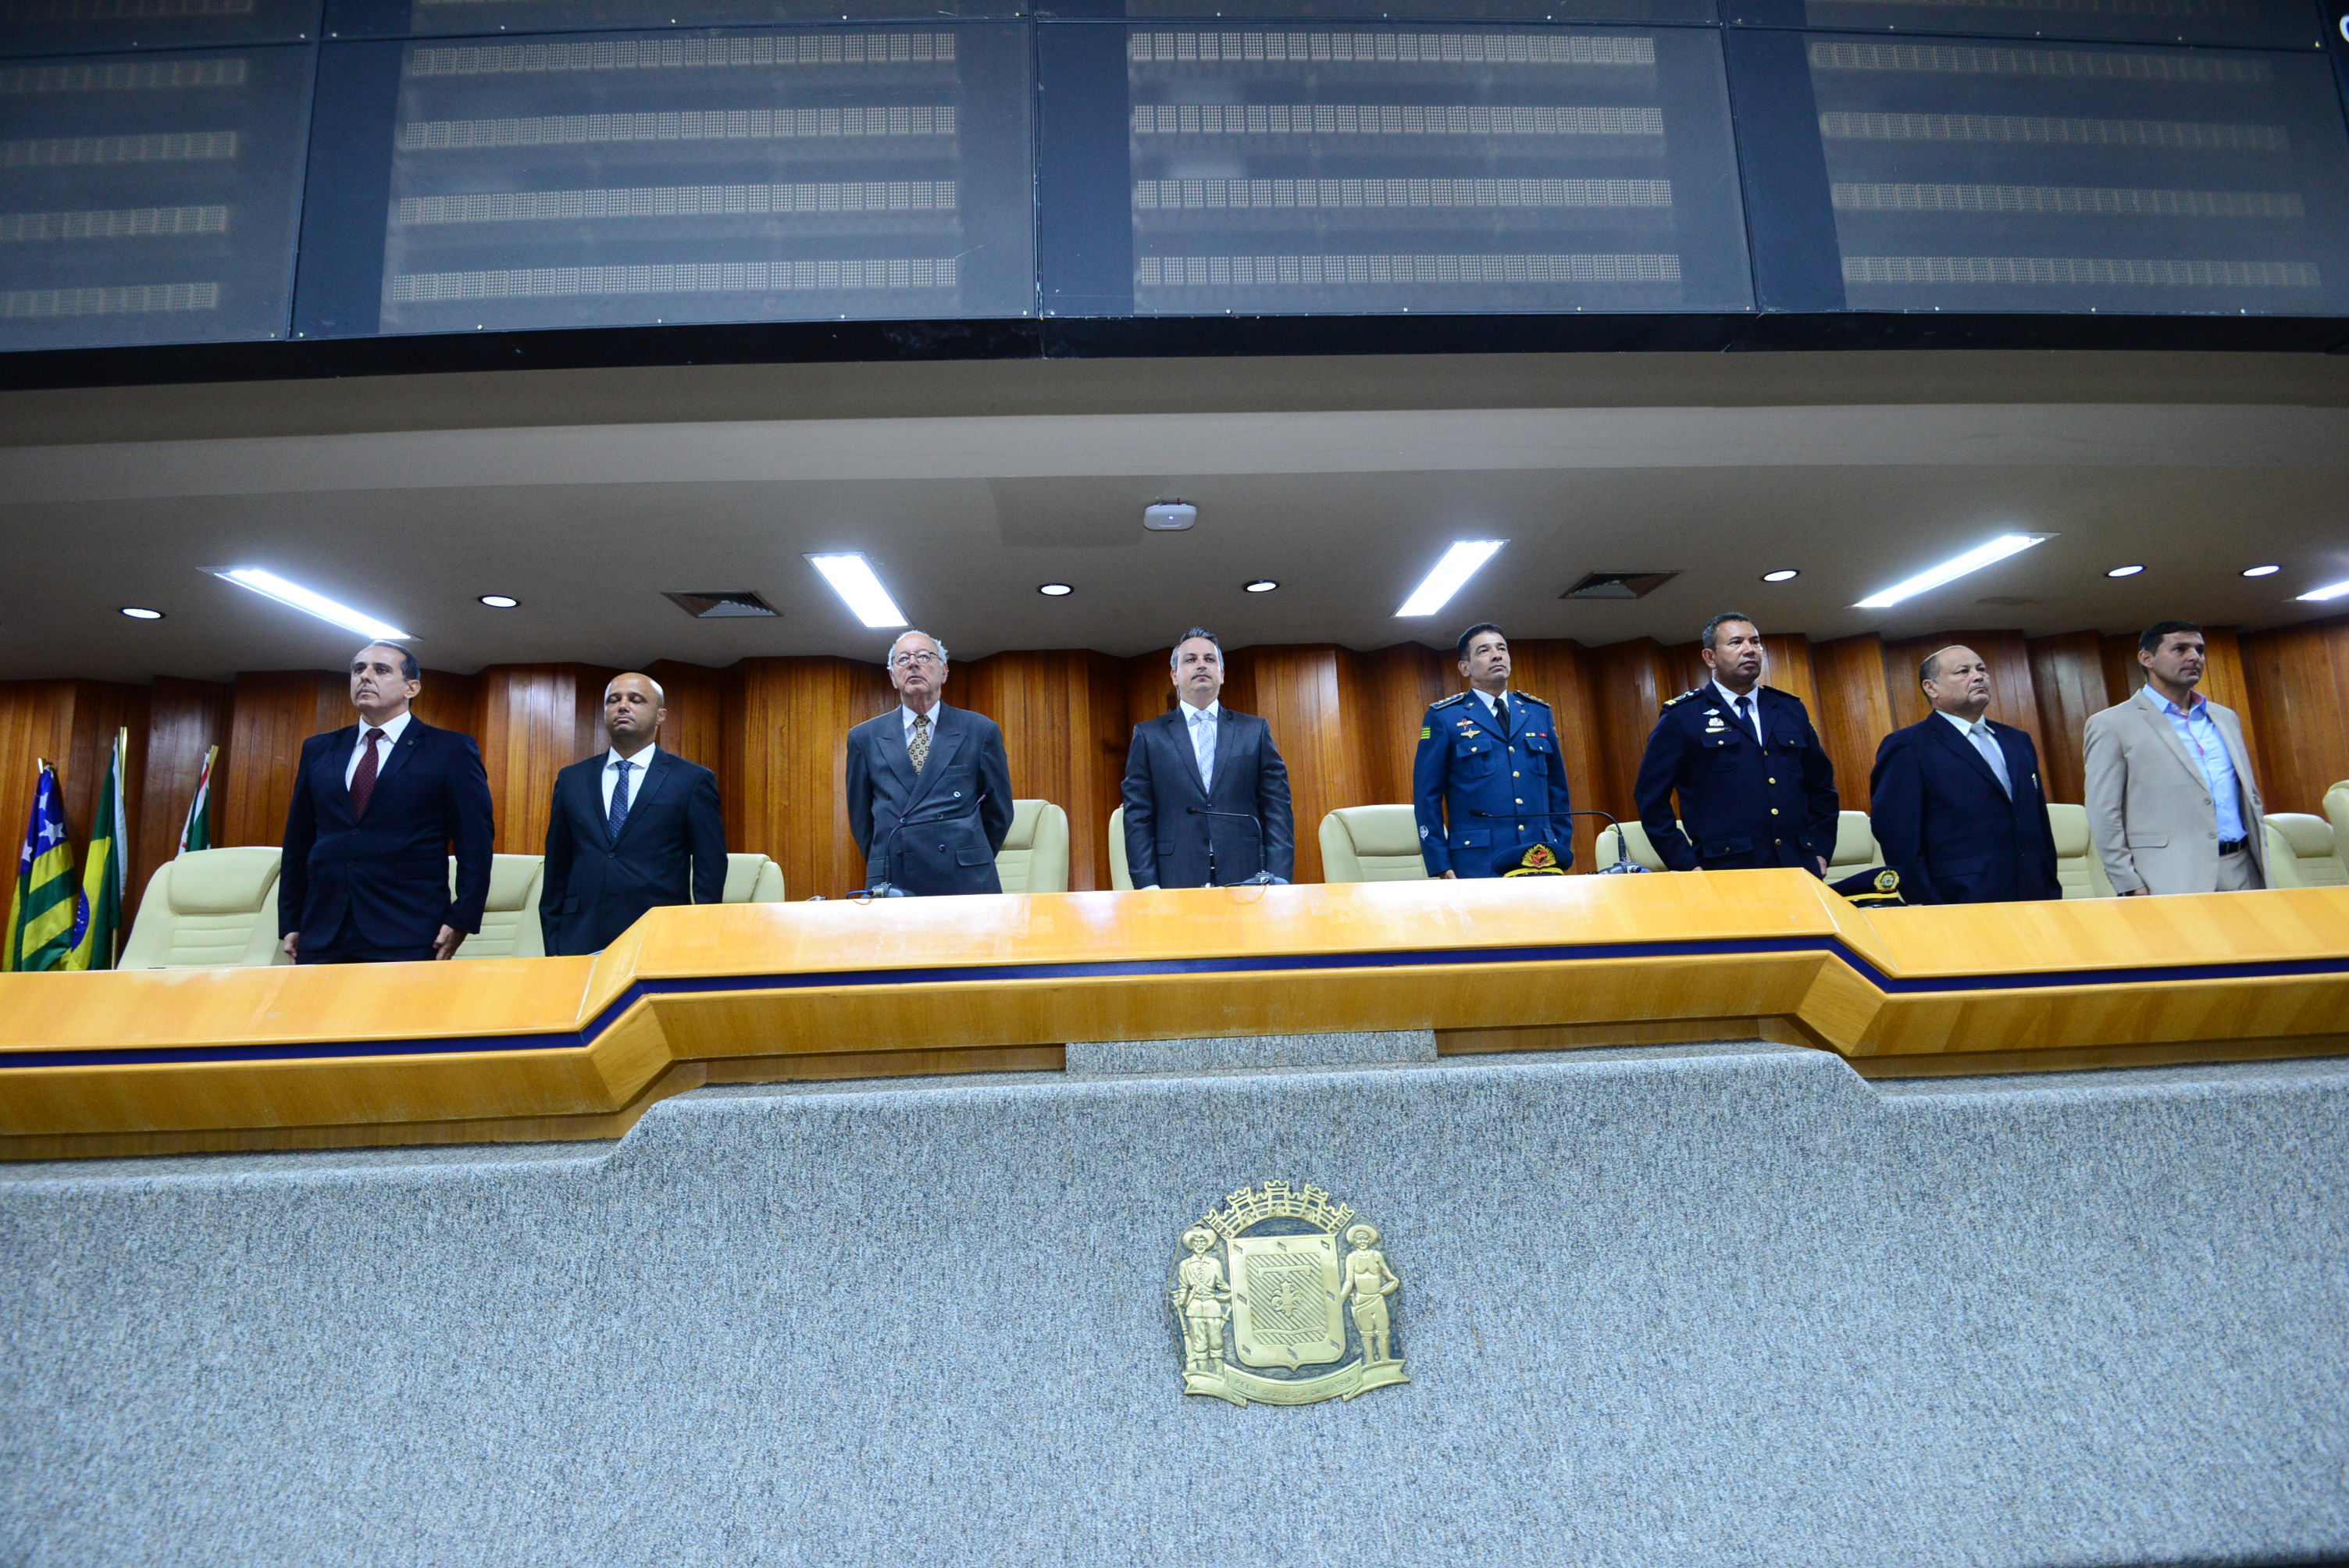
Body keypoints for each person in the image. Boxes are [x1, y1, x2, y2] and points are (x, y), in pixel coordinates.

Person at [279, 642, 494, 964]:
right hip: (323, 927)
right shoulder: (319, 749)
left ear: (411, 688)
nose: (365, 677)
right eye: (358, 670)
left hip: (408, 925)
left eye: (380, 670)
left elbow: (475, 841)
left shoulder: (450, 750)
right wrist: (291, 920)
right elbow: (299, 840)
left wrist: (462, 918)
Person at [1634, 612, 1838, 874]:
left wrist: (1821, 850)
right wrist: (1687, 864)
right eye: (1736, 642)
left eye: (1755, 642)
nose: (1749, 650)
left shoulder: (1790, 709)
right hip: (1725, 868)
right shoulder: (1683, 716)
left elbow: (1822, 788)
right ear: (1710, 657)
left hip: (1798, 863)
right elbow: (1651, 799)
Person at [540, 672, 726, 955]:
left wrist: (699, 938)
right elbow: (557, 864)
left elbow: (709, 867)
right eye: (613, 700)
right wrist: (553, 942)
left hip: (660, 936)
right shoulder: (572, 779)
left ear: (660, 715)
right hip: (579, 935)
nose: (622, 706)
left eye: (636, 700)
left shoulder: (691, 780)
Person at [2083, 621, 2267, 895]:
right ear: (2147, 659)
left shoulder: (2225, 718)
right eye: (2180, 649)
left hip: (2242, 868)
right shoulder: (2112, 724)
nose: (2195, 657)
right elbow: (2103, 812)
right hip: (2168, 877)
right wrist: (2128, 883)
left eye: (2199, 650)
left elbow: (2247, 796)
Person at [1869, 645, 2062, 905]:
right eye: (1963, 671)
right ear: (1931, 688)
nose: (1978, 676)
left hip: (2034, 894)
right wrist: (1929, 904)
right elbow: (1898, 837)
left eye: (1981, 669)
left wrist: (2051, 889)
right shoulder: (1909, 746)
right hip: (1959, 899)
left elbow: (2038, 823)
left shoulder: (2018, 741)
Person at [843, 630, 1014, 896]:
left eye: (924, 656)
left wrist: (967, 856)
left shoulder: (980, 730)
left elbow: (999, 813)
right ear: (893, 677)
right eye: (903, 659)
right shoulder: (864, 737)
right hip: (895, 877)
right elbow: (861, 819)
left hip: (965, 878)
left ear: (944, 671)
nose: (913, 663)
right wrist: (887, 858)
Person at [1122, 627, 1294, 889]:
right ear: (1174, 676)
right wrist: (1147, 884)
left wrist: (1279, 877)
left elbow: (1277, 808)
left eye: (1209, 659)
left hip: (1247, 873)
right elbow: (1138, 815)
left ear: (1222, 674)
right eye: (1191, 659)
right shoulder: (1149, 736)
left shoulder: (1254, 731)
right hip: (1174, 875)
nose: (1201, 665)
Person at [1412, 622, 1572, 878]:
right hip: (1476, 861)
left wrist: (1560, 847)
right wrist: (1440, 864)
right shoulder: (1444, 717)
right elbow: (1427, 798)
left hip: (1540, 858)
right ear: (1465, 668)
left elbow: (1558, 788)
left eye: (1502, 649)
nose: (1497, 655)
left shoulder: (1538, 713)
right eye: (1484, 651)